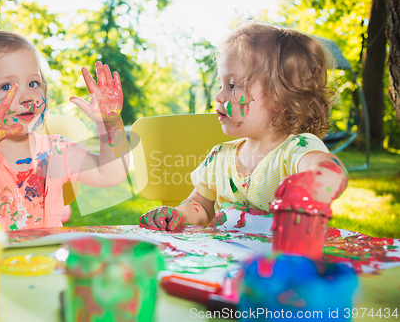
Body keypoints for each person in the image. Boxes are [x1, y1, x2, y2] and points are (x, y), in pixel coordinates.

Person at [139, 21, 348, 232]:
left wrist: (313, 185)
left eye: (232, 86)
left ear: (279, 97)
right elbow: (200, 206)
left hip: (278, 261)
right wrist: (180, 214)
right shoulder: (219, 157)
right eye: (221, 84)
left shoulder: (295, 150)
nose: (218, 96)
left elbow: (330, 170)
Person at [0, 30, 130, 230]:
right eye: (6, 86)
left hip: (45, 263)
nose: (27, 96)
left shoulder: (56, 151)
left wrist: (111, 124)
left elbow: (110, 174)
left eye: (34, 83)